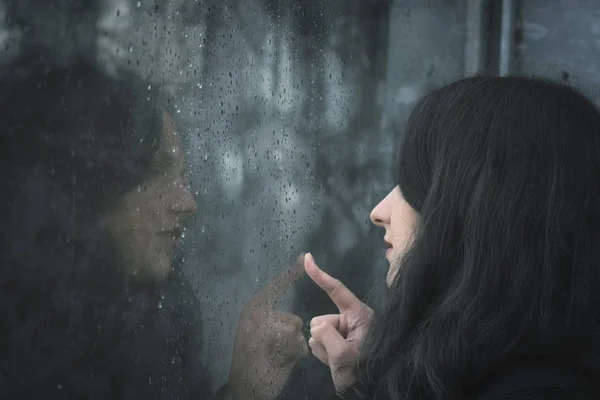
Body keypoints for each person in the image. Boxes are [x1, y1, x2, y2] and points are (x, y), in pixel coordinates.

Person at [0, 52, 307, 400]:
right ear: (88, 187)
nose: (187, 203)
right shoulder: (21, 346)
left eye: (182, 176)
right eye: (159, 172)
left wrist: (244, 392)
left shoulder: (158, 323)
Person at [305, 76, 600, 399]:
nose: (378, 211)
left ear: (481, 211)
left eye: (414, 183)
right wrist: (371, 373)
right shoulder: (496, 372)